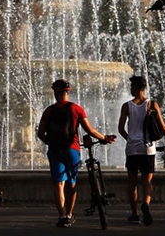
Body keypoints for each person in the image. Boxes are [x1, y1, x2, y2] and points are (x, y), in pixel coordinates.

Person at [37, 79, 115, 228]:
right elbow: (90, 130)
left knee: (59, 184)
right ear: (68, 92)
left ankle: (61, 216)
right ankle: (69, 214)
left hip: (55, 151)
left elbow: (40, 133)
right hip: (72, 149)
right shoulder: (76, 109)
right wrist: (104, 138)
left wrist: (51, 144)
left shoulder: (49, 111)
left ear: (55, 93)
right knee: (72, 183)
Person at [117, 75, 165, 226]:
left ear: (139, 88)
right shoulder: (152, 104)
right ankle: (146, 204)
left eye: (132, 86)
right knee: (147, 181)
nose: (130, 89)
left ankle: (135, 214)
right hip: (148, 148)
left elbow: (120, 129)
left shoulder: (126, 106)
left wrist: (130, 139)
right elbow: (162, 126)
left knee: (132, 182)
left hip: (132, 149)